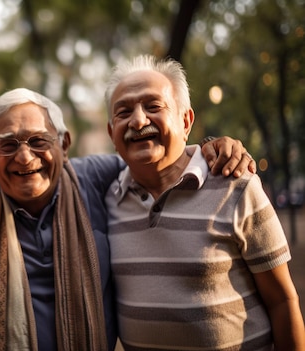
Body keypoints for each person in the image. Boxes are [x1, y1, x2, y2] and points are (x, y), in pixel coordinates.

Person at [0, 87, 256, 351]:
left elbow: (157, 157)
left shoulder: (95, 177)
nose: (24, 157)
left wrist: (210, 147)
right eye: (8, 145)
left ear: (64, 144)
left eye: (39, 141)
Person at [104, 54, 305, 349]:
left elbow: (283, 301)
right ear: (111, 133)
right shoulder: (106, 201)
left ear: (185, 121)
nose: (138, 120)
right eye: (123, 112)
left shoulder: (236, 185)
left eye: (153, 106)